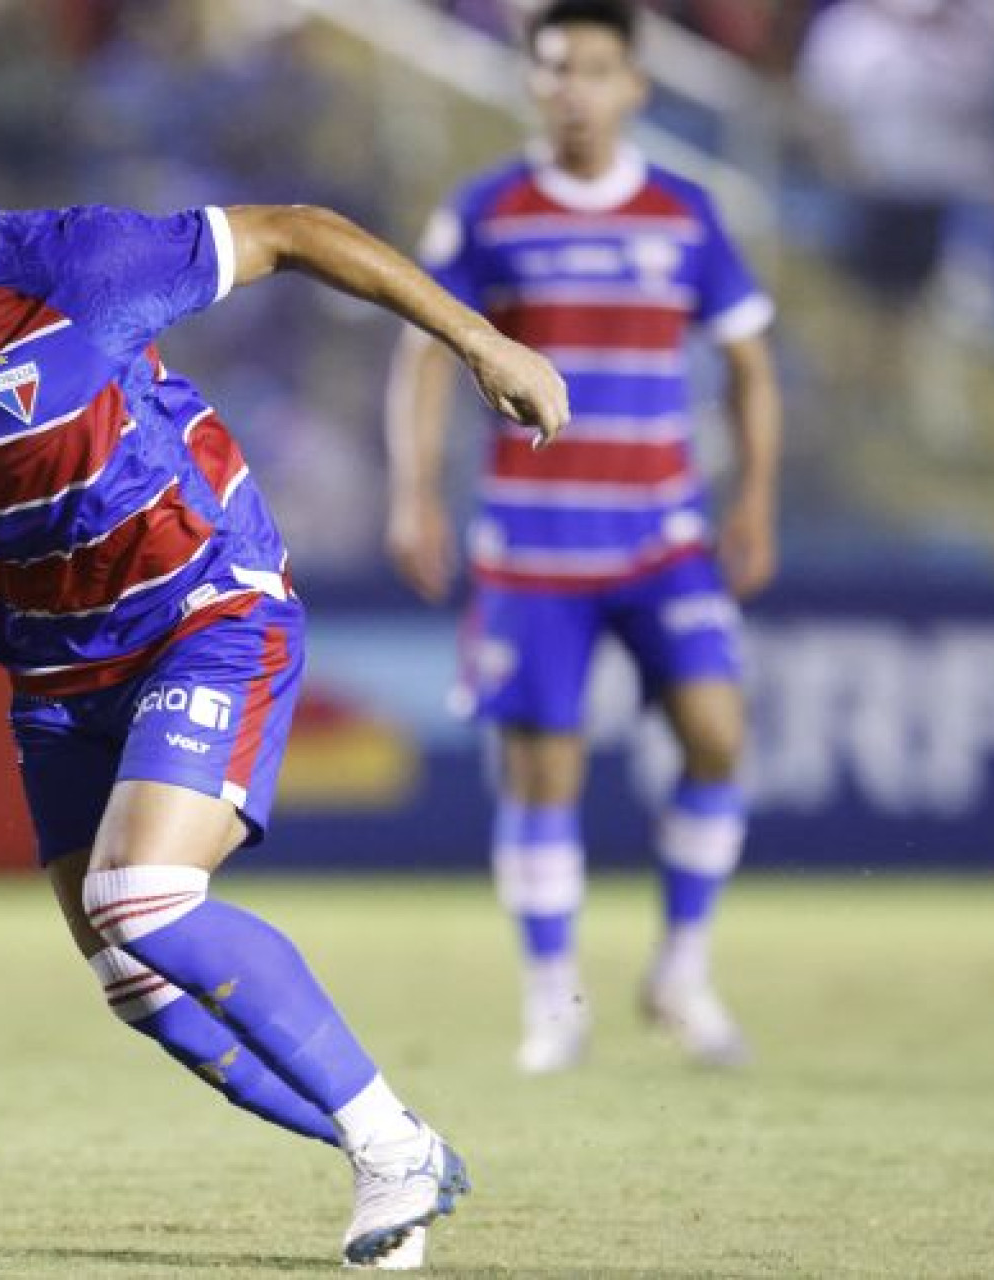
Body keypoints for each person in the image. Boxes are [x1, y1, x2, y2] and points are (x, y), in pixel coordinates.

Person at [0, 82, 567, 1268]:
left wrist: (479, 338)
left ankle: (388, 1146)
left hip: (207, 608)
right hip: (52, 670)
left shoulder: (77, 265)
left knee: (138, 895)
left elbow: (295, 231)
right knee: (133, 982)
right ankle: (406, 1148)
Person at [385, 0, 782, 1074]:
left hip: (664, 536)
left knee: (719, 738)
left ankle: (682, 969)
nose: (575, 89)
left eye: (596, 69)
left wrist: (754, 501)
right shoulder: (489, 211)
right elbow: (426, 354)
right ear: (531, 81)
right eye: (556, 68)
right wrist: (413, 490)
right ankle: (552, 1000)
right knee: (543, 777)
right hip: (533, 551)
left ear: (635, 86)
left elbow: (749, 361)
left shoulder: (686, 212)